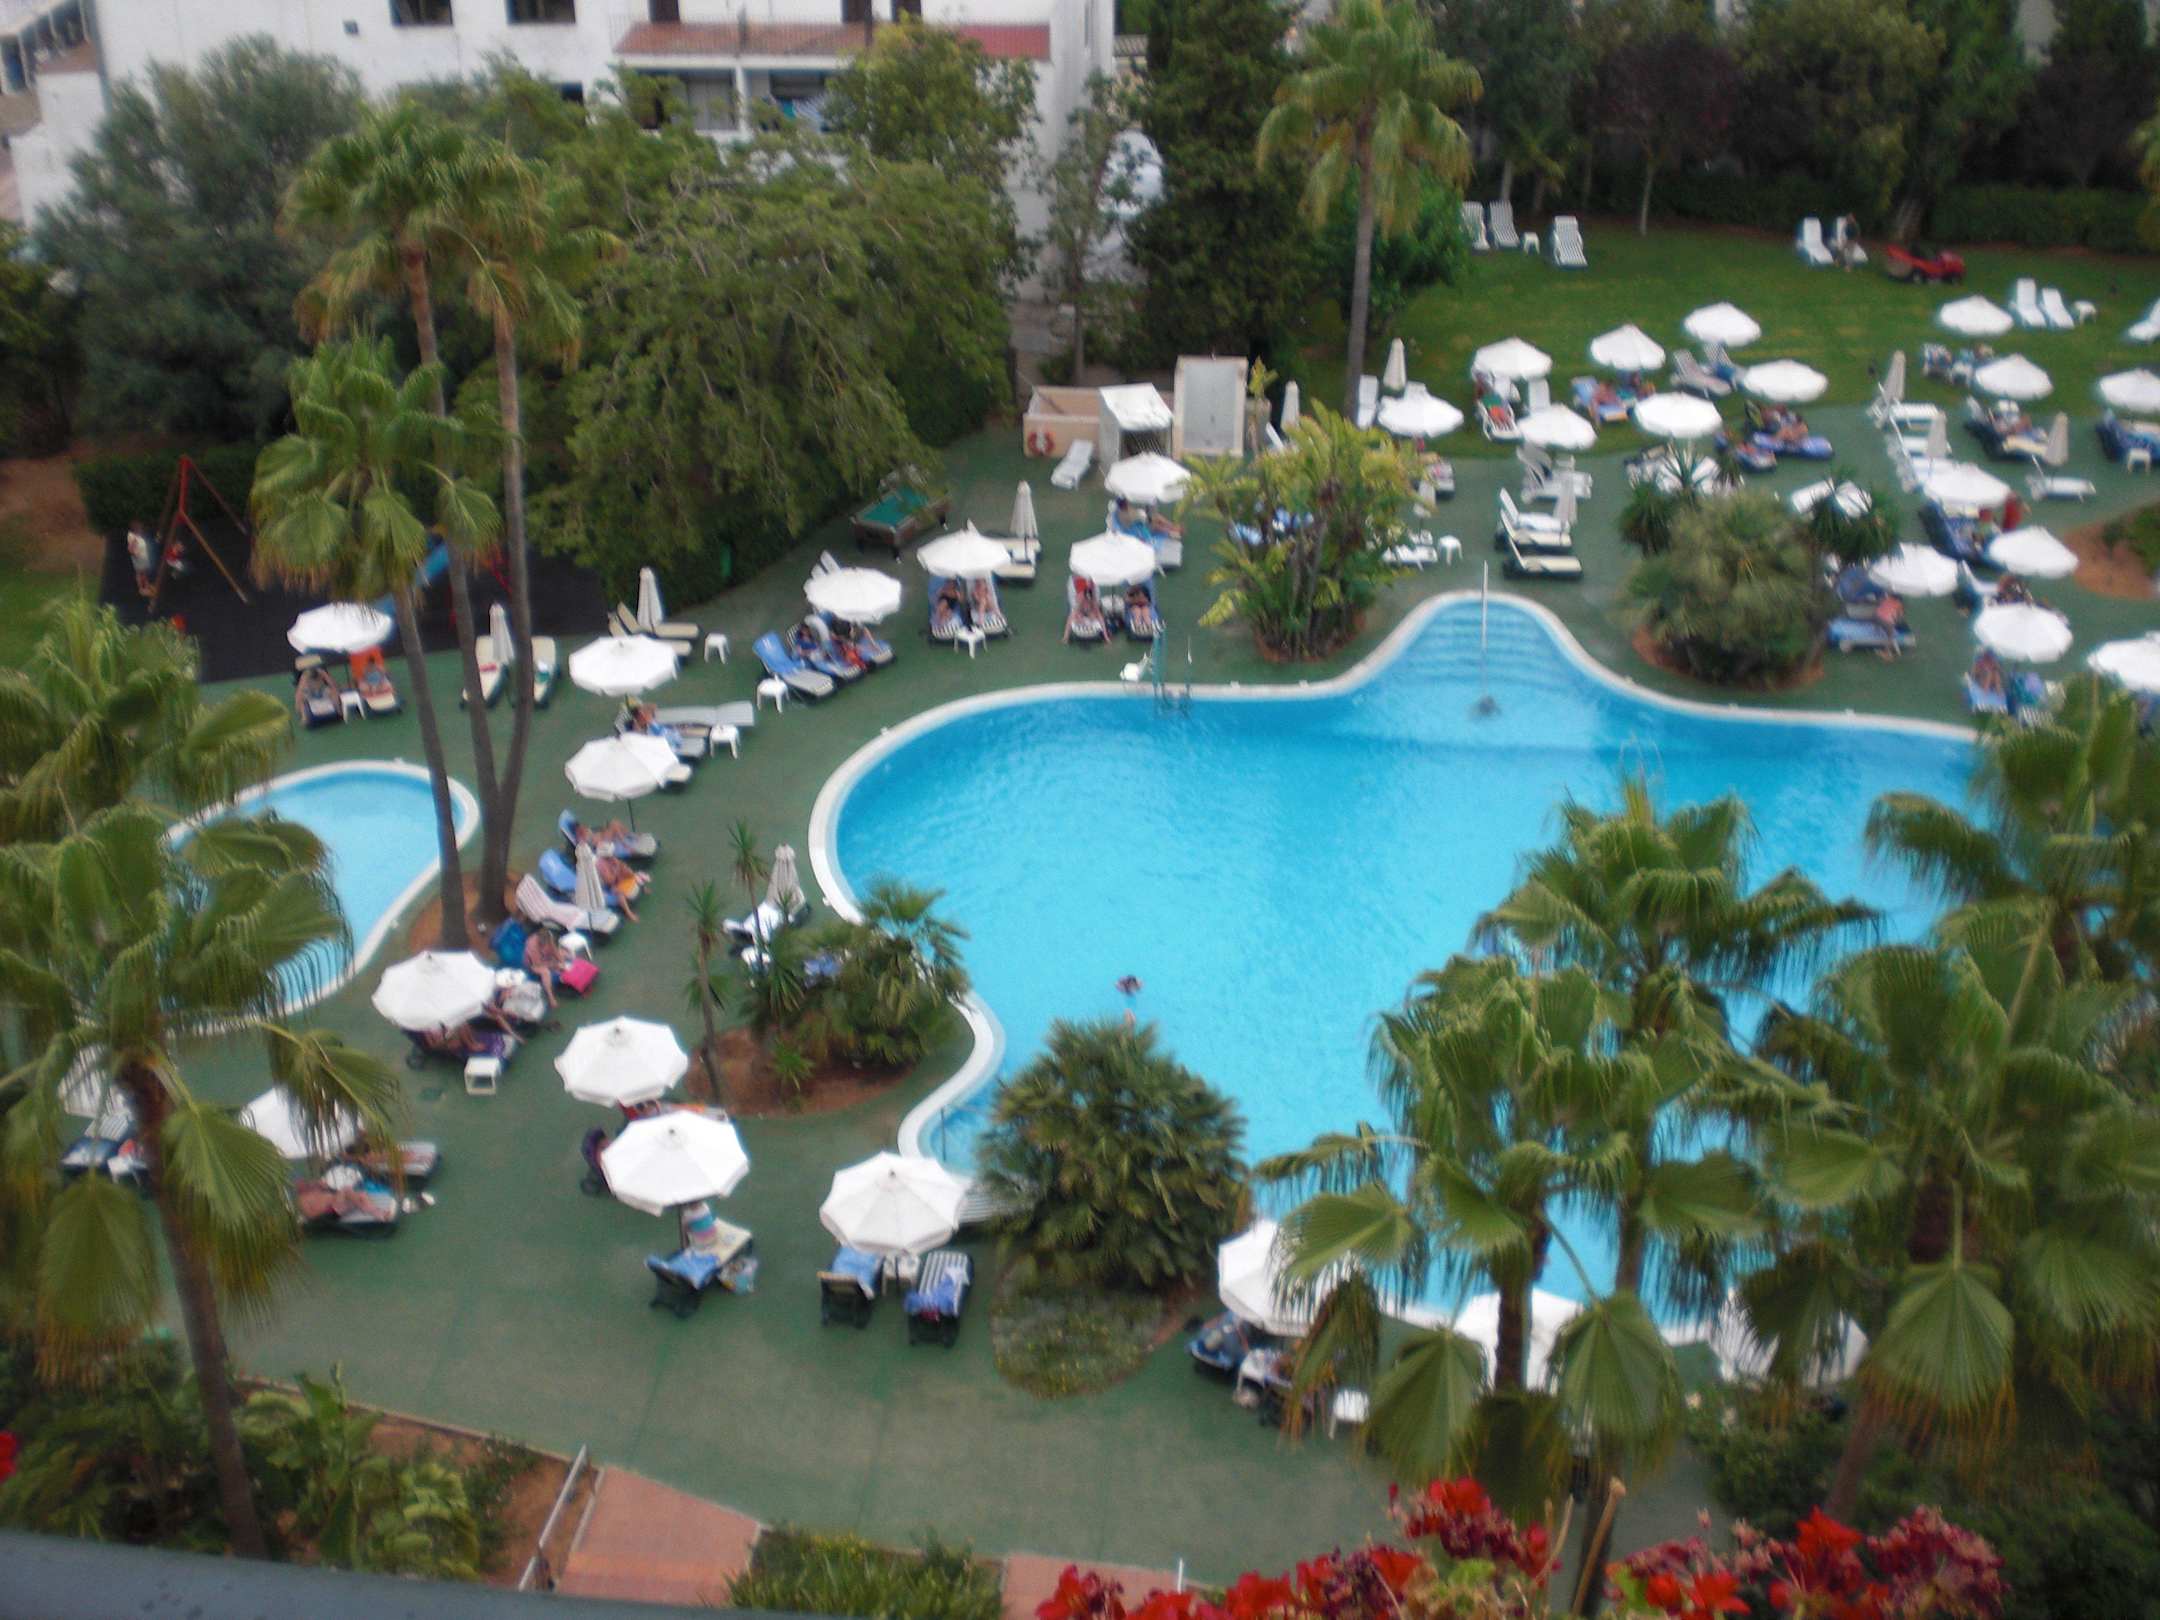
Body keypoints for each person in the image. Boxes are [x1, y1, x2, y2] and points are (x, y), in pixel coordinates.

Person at [523, 931, 569, 1008]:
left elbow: (554, 950)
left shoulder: (549, 937)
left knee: (564, 953)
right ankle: (551, 997)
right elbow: (538, 964)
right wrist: (555, 965)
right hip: (533, 965)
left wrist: (562, 963)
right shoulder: (532, 946)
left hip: (545, 958)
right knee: (545, 972)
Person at [1873, 590, 1907, 660]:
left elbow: (1880, 603)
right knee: (1891, 636)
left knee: (1879, 619)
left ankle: (1876, 629)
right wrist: (1896, 621)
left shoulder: (1886, 598)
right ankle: (1886, 652)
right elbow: (1900, 616)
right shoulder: (1899, 604)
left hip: (1876, 617)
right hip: (1886, 621)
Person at [126, 523, 156, 596]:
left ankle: (147, 586)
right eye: (140, 529)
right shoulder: (133, 537)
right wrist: (136, 553)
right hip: (139, 558)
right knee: (139, 573)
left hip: (142, 557)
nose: (141, 530)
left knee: (143, 573)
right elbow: (130, 549)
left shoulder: (136, 536)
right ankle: (141, 589)